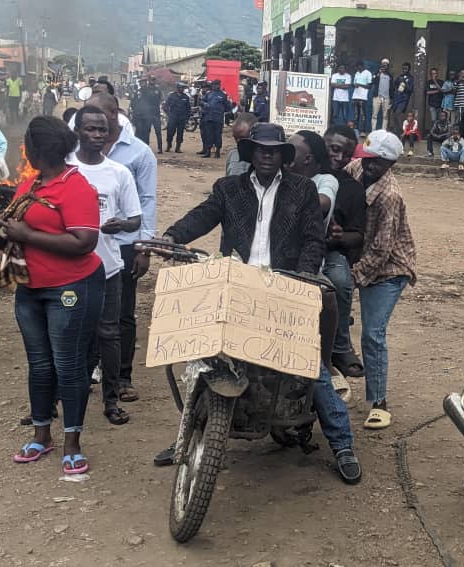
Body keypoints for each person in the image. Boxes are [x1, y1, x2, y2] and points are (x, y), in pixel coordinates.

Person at [160, 122, 363, 484]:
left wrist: (300, 280)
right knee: (205, 356)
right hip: (235, 284)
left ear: (284, 156)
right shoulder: (228, 188)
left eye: (275, 150)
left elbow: (314, 242)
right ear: (250, 152)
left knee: (309, 367)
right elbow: (203, 215)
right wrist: (173, 235)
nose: (267, 155)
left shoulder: (302, 191)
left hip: (284, 287)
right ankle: (187, 436)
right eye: (260, 149)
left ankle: (342, 444)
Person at [0, 117, 104, 474]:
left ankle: (72, 442)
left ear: (36, 150)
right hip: (31, 289)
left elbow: (84, 242)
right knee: (40, 364)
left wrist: (27, 235)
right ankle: (41, 435)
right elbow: (16, 231)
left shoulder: (76, 188)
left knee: (68, 365)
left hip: (72, 286)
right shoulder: (30, 185)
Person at [68, 105, 142, 426]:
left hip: (108, 268)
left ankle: (111, 401)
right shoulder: (66, 170)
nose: (97, 136)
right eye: (90, 129)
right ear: (78, 131)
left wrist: (122, 225)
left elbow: (136, 217)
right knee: (71, 333)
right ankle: (72, 393)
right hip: (69, 269)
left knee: (109, 334)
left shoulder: (118, 173)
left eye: (102, 130)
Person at [85, 93, 157, 405]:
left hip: (125, 246)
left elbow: (147, 201)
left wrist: (144, 246)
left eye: (100, 121)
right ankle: (88, 370)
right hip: (86, 246)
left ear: (114, 115)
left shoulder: (140, 154)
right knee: (87, 311)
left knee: (122, 314)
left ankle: (123, 377)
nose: (95, 131)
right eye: (88, 124)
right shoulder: (78, 154)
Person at [344, 130, 415, 430]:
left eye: (376, 162)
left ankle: (379, 402)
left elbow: (383, 249)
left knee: (373, 333)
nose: (368, 165)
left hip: (389, 270)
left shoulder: (390, 196)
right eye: (366, 158)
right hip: (358, 257)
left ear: (389, 163)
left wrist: (354, 276)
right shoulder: (356, 168)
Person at [322, 125, 367, 378]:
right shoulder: (300, 170)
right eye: (334, 149)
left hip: (328, 251)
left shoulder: (351, 188)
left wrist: (339, 236)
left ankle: (340, 345)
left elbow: (358, 235)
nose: (339, 158)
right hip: (291, 245)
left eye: (346, 155)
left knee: (339, 280)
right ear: (323, 144)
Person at [201, 80, 232, 158]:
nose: (215, 86)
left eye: (217, 85)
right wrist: (204, 104)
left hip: (218, 119)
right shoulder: (209, 94)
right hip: (209, 118)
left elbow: (228, 107)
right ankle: (208, 152)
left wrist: (221, 111)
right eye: (214, 85)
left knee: (218, 135)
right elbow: (201, 101)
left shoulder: (223, 95)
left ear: (219, 85)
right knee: (209, 135)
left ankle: (217, 152)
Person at [131, 77, 163, 153]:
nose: (142, 84)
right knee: (142, 132)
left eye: (144, 82)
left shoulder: (154, 91)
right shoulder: (138, 91)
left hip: (153, 114)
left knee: (155, 132)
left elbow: (158, 101)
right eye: (141, 83)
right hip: (141, 115)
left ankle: (158, 148)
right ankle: (141, 147)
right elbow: (133, 102)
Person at [225, 112, 259, 177]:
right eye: (235, 138)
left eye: (243, 138)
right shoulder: (233, 154)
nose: (238, 142)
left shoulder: (264, 158)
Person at [163, 82, 192, 153]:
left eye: (183, 88)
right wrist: (169, 114)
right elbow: (165, 106)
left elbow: (188, 108)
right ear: (177, 88)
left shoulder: (186, 97)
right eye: (180, 88)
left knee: (180, 133)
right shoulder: (171, 96)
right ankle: (169, 145)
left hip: (181, 118)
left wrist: (186, 117)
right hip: (173, 117)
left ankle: (178, 147)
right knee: (170, 132)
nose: (182, 89)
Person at [390, 63, 414, 133]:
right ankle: (396, 129)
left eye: (406, 68)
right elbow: (395, 85)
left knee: (397, 114)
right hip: (397, 98)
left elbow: (410, 89)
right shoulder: (400, 76)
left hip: (404, 99)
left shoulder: (411, 78)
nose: (404, 70)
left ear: (409, 69)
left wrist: (404, 82)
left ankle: (399, 130)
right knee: (394, 114)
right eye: (403, 68)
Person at [370, 59, 392, 132]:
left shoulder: (390, 76)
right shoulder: (377, 73)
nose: (384, 66)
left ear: (388, 66)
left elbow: (392, 87)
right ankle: (373, 130)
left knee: (385, 116)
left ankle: (383, 130)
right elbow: (372, 82)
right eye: (383, 64)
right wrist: (378, 73)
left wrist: (391, 98)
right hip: (377, 97)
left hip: (387, 98)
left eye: (386, 65)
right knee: (374, 114)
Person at [352, 62, 372, 133]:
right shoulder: (357, 73)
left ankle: (363, 130)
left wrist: (359, 84)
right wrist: (355, 85)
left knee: (363, 114)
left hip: (363, 97)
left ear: (361, 66)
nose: (357, 69)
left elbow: (369, 86)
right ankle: (356, 130)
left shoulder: (368, 73)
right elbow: (354, 83)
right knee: (356, 114)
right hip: (355, 96)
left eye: (358, 67)